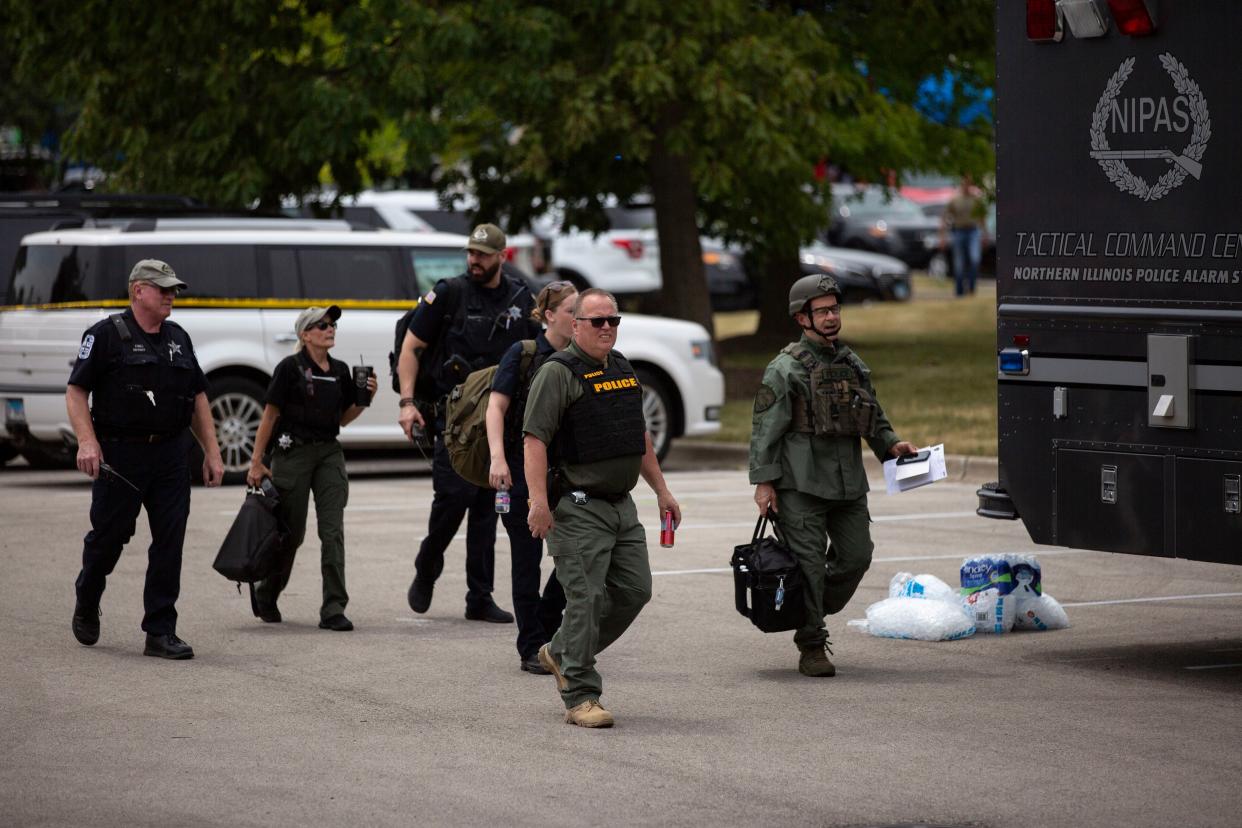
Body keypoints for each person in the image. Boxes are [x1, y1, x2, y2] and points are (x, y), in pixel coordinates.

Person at [524, 288, 681, 728]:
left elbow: (639, 438)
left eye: (613, 320)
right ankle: (580, 694)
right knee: (586, 598)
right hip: (576, 506)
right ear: (575, 326)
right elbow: (534, 440)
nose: (607, 327)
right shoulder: (557, 373)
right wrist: (538, 502)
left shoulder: (623, 369)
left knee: (635, 590)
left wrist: (662, 491)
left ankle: (560, 652)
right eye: (597, 321)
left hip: (621, 506)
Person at [750, 273, 917, 677]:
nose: (831, 317)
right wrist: (764, 482)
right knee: (808, 566)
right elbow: (765, 429)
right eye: (821, 311)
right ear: (801, 318)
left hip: (847, 485)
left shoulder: (852, 364)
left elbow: (873, 414)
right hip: (801, 485)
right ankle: (811, 645)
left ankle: (804, 603)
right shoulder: (784, 368)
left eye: (834, 309)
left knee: (857, 556)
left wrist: (891, 445)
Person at [66, 259, 225, 660]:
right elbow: (76, 392)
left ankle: (160, 630)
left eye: (173, 289)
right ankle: (88, 593)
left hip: (171, 454)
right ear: (138, 290)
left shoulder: (178, 337)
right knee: (109, 539)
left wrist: (212, 450)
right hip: (121, 455)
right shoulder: (105, 335)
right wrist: (88, 442)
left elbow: (199, 396)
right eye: (162, 288)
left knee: (169, 542)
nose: (171, 295)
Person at [396, 223, 539, 623]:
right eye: (471, 254)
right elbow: (412, 348)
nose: (474, 261)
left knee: (488, 507)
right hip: (455, 418)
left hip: (501, 420)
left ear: (501, 256)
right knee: (452, 500)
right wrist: (408, 402)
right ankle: (428, 566)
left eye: (483, 255)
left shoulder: (519, 296)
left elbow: (536, 351)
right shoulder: (448, 293)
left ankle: (479, 596)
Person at [246, 305, 376, 631]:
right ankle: (267, 594)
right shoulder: (289, 368)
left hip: (329, 452)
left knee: (332, 532)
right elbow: (270, 415)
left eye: (332, 324)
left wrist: (362, 400)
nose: (330, 329)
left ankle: (333, 608)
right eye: (322, 325)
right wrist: (257, 461)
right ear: (305, 334)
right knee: (291, 533)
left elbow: (341, 420)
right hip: (293, 453)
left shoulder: (341, 370)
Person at [485, 281, 575, 675]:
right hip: (521, 473)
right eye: (573, 310)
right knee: (527, 560)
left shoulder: (580, 357)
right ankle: (530, 645)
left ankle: (546, 625)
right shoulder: (523, 354)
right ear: (550, 315)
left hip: (565, 476)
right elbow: (496, 408)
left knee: (575, 554)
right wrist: (498, 460)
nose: (580, 318)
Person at [939, 175, 988, 297]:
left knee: (974, 259)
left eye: (969, 183)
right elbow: (944, 218)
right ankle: (959, 291)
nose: (967, 186)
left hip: (973, 231)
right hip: (958, 232)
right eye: (964, 183)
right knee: (959, 263)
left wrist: (985, 234)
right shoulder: (955, 200)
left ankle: (971, 288)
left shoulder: (976, 200)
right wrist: (942, 237)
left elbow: (982, 218)